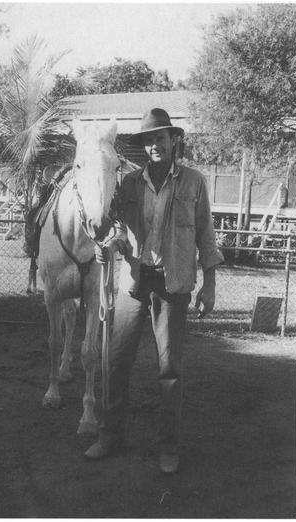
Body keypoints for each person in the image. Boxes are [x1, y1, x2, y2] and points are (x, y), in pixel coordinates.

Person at [84, 108, 224, 474]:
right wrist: (110, 245)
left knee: (169, 368)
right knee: (115, 361)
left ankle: (168, 446)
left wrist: (209, 283)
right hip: (134, 282)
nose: (154, 145)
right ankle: (109, 434)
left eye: (160, 138)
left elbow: (206, 233)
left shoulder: (194, 182)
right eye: (148, 140)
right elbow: (117, 227)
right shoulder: (129, 184)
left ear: (174, 140)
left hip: (173, 285)